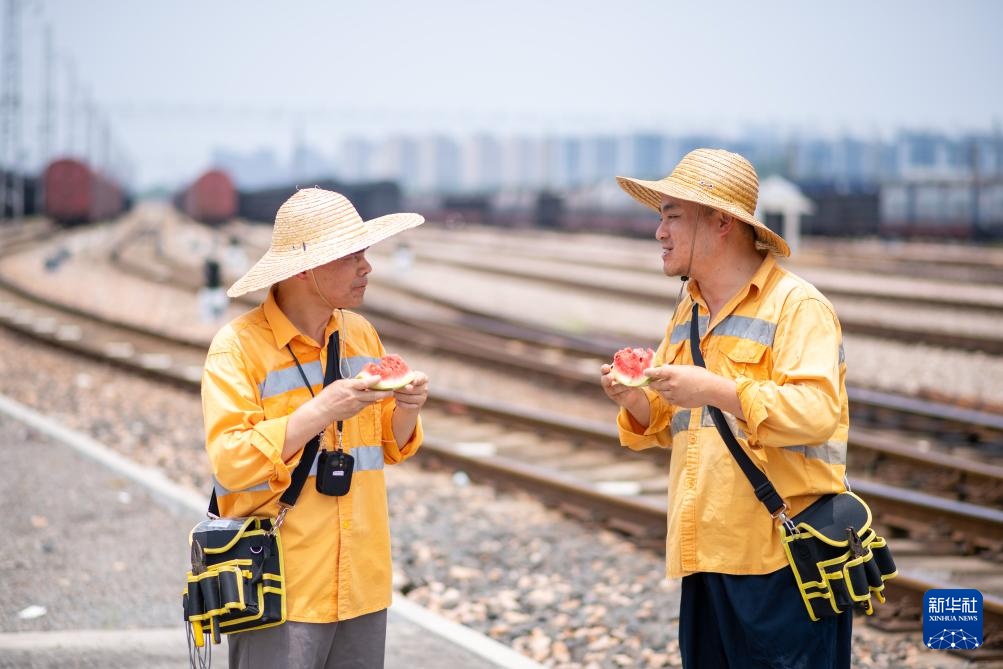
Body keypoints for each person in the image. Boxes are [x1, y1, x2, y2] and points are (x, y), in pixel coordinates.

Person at [600, 149, 851, 668]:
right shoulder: (688, 309)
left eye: (672, 216)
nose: (659, 232)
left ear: (721, 223)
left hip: (781, 560)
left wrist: (715, 389)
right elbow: (669, 420)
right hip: (704, 554)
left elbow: (816, 412)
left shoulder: (798, 307)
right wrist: (635, 399)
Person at [202, 187, 429, 669]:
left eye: (364, 254)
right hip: (280, 584)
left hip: (361, 583)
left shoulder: (360, 334)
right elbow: (232, 462)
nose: (367, 267)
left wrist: (407, 410)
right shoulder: (237, 348)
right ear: (304, 268)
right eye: (351, 257)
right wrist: (320, 411)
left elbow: (386, 446)